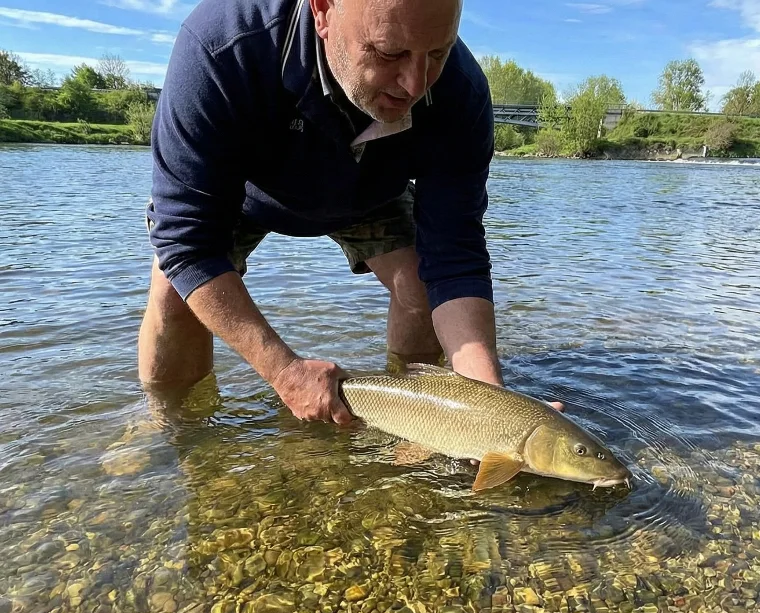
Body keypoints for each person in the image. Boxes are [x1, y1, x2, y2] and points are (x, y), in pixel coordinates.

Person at [139, 0, 562, 426]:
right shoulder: (221, 46)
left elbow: (455, 259)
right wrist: (286, 373)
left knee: (419, 288)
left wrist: (491, 410)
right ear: (322, 12)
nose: (416, 83)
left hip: (370, 190)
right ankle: (169, 428)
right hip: (245, 190)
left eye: (437, 53)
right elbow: (188, 245)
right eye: (389, 53)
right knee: (177, 294)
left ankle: (411, 423)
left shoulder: (460, 90)